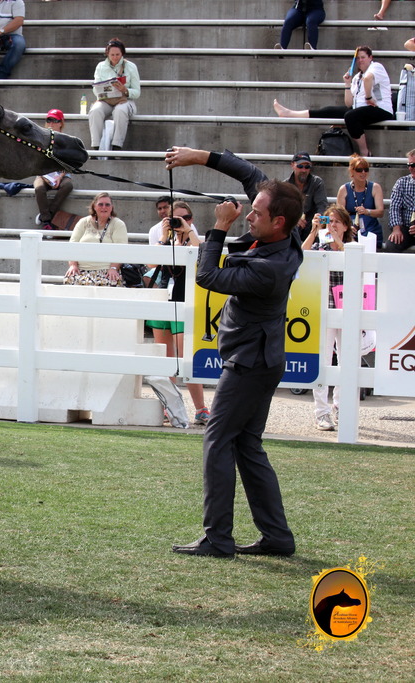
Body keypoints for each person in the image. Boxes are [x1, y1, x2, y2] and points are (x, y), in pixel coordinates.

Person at [164, 146, 301, 558]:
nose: (249, 215)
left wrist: (220, 227)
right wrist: (200, 156)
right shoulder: (286, 233)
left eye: (257, 212)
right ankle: (277, 537)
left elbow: (207, 275)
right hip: (261, 360)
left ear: (278, 222)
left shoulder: (268, 268)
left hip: (249, 364)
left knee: (218, 440)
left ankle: (217, 538)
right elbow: (251, 173)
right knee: (247, 446)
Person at [145, 200, 209, 425]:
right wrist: (165, 237)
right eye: (176, 219)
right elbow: (152, 264)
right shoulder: (163, 238)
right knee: (166, 357)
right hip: (164, 298)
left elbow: (202, 257)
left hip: (185, 300)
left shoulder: (194, 238)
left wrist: (188, 231)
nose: (181, 222)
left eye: (186, 217)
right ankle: (170, 407)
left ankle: (201, 409)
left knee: (186, 356)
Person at [273, 46, 393, 157]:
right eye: (358, 58)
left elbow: (368, 79)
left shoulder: (376, 67)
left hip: (380, 108)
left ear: (370, 57)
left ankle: (365, 151)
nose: (360, 60)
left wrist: (368, 98)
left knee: (350, 116)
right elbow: (349, 103)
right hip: (360, 109)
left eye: (363, 57)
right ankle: (289, 113)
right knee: (329, 111)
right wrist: (347, 84)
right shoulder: (357, 77)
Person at [302, 204, 355, 431]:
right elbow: (302, 255)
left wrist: (338, 241)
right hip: (323, 307)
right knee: (323, 361)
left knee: (346, 360)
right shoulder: (319, 245)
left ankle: (341, 406)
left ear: (345, 226)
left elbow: (353, 262)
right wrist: (314, 231)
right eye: (329, 221)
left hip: (348, 309)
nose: (332, 225)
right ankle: (321, 412)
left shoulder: (352, 245)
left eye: (336, 222)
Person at [64, 192, 128, 286]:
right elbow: (72, 245)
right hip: (82, 269)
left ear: (111, 207)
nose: (104, 207)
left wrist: (114, 268)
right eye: (100, 204)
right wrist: (73, 265)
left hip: (107, 270)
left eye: (107, 205)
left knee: (110, 282)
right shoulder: (83, 222)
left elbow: (121, 250)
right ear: (94, 206)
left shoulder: (118, 224)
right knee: (70, 279)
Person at [88, 38, 140, 151]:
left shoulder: (131, 67)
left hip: (124, 100)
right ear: (107, 54)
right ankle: (95, 146)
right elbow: (95, 89)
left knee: (120, 111)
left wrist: (125, 90)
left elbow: (137, 92)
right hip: (106, 100)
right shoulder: (101, 66)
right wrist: (103, 90)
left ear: (122, 54)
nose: (115, 57)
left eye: (118, 54)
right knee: (95, 111)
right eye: (112, 55)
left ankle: (117, 146)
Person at [33, 109, 73, 230]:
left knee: (68, 185)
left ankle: (46, 215)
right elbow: (36, 162)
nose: (51, 123)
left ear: (61, 123)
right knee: (39, 188)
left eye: (55, 120)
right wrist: (46, 177)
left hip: (62, 173)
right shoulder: (40, 139)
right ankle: (47, 220)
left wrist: (59, 177)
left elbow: (69, 163)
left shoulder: (67, 140)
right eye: (49, 120)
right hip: (43, 174)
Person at [337, 154, 384, 249]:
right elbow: (339, 214)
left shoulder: (375, 187)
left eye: (366, 169)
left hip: (370, 230)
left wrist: (367, 211)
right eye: (359, 170)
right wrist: (348, 227)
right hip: (350, 230)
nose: (363, 172)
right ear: (352, 171)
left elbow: (380, 212)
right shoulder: (344, 189)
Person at [285, 151, 327, 239]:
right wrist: (293, 220)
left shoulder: (317, 182)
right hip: (292, 226)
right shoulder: (285, 186)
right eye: (300, 166)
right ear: (292, 165)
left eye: (307, 167)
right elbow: (281, 210)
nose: (304, 170)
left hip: (313, 224)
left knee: (327, 221)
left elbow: (322, 206)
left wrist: (318, 219)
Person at [383, 148, 415, 253]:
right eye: (409, 165)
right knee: (390, 246)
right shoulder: (401, 183)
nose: (411, 168)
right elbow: (394, 208)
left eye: (414, 165)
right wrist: (396, 229)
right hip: (406, 228)